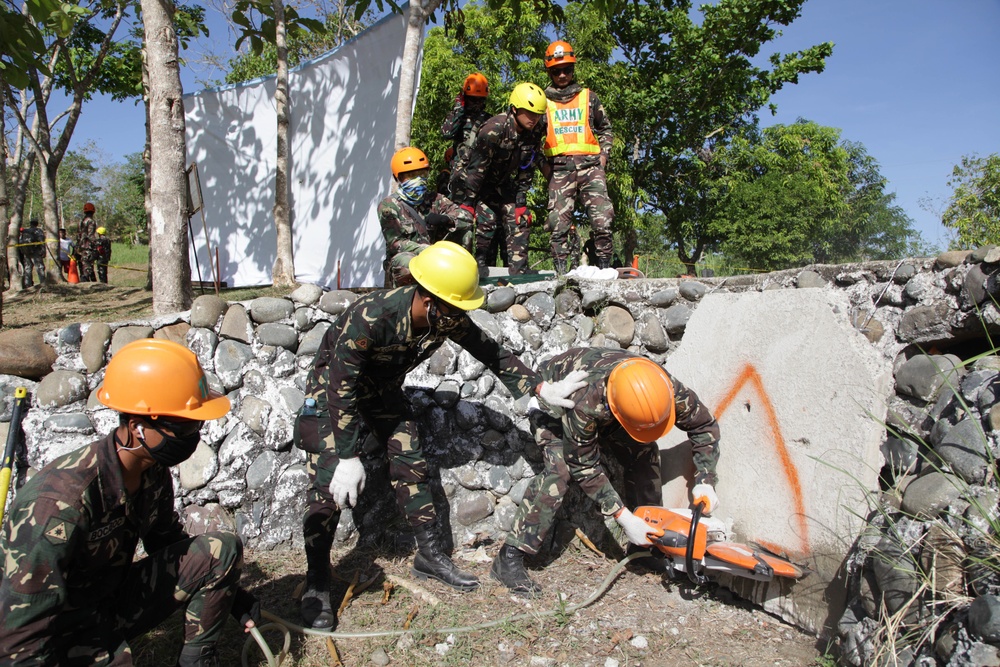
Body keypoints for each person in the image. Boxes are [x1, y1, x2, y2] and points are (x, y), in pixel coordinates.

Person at [294, 240, 586, 628]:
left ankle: (429, 556)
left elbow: (490, 350)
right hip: (333, 395)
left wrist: (538, 388)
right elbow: (340, 388)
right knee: (328, 483)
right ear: (429, 300)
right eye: (454, 308)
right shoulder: (371, 317)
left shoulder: (444, 315)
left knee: (410, 458)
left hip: (381, 393)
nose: (458, 317)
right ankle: (316, 582)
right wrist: (346, 455)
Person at [0, 339, 260, 666]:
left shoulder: (151, 469)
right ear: (138, 427)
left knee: (220, 551)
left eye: (198, 424)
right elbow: (20, 632)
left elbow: (164, 539)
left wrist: (229, 594)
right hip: (59, 627)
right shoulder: (59, 502)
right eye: (184, 425)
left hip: (109, 599)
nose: (195, 433)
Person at [491, 349, 721, 595]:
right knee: (560, 470)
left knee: (644, 452)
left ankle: (644, 547)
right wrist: (623, 517)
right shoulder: (584, 403)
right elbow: (584, 466)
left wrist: (705, 479)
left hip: (607, 405)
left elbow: (703, 425)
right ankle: (510, 556)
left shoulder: (662, 386)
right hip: (557, 402)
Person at [450, 82, 548, 276]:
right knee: (483, 220)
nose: (534, 118)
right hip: (470, 182)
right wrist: (469, 203)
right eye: (529, 113)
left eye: (537, 114)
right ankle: (472, 270)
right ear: (514, 109)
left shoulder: (536, 130)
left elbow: (526, 167)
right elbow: (477, 169)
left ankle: (519, 275)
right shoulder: (493, 129)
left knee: (519, 218)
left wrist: (520, 202)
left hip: (500, 183)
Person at [541, 40, 616, 274]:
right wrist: (544, 168)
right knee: (558, 225)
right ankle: (561, 275)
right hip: (559, 169)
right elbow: (532, 139)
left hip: (591, 167)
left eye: (567, 69)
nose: (562, 75)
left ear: (573, 69)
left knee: (603, 220)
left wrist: (603, 156)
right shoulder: (542, 101)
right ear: (549, 72)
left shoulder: (588, 97)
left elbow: (605, 129)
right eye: (556, 71)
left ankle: (604, 270)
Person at [379, 147, 474, 287]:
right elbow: (396, 243)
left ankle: (462, 284)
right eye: (410, 176)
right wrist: (427, 251)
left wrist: (446, 219)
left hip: (436, 255)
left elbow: (467, 218)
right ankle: (408, 299)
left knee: (465, 233)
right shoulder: (389, 205)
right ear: (397, 178)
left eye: (422, 174)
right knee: (407, 262)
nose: (417, 180)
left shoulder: (435, 199)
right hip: (410, 256)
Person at [440, 73, 492, 188]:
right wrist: (459, 109)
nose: (477, 104)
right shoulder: (457, 118)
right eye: (473, 99)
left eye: (480, 100)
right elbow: (446, 133)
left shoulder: (489, 120)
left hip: (481, 176)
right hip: (460, 174)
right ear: (466, 98)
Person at [17, 219, 46, 287]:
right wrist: (43, 250)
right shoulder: (38, 231)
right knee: (39, 267)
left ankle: (28, 284)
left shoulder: (25, 231)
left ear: (30, 224)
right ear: (37, 224)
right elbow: (41, 241)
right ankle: (43, 283)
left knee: (28, 267)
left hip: (26, 252)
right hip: (35, 251)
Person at [77, 202, 98, 282]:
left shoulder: (81, 221)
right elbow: (91, 235)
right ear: (93, 211)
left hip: (80, 246)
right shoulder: (91, 221)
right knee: (88, 265)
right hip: (88, 246)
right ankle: (86, 281)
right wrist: (95, 244)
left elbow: (78, 234)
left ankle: (86, 279)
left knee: (82, 264)